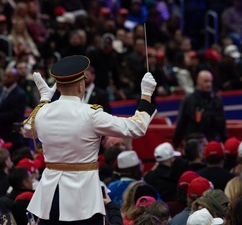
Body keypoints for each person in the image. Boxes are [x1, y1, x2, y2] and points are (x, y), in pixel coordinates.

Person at [22, 55, 157, 224]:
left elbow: (27, 129)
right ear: (81, 86)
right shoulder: (91, 114)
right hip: (82, 198)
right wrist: (146, 94)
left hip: (49, 196)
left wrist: (44, 100)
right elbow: (137, 127)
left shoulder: (43, 112)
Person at [172, 70, 227, 149]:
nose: (209, 84)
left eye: (210, 81)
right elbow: (181, 121)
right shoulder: (188, 100)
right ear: (198, 81)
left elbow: (222, 123)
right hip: (193, 143)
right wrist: (176, 142)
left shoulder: (217, 100)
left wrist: (224, 140)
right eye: (206, 81)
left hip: (212, 142)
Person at [0, 68, 27, 153]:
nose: (5, 78)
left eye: (8, 77)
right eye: (4, 76)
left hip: (11, 134)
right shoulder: (2, 89)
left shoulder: (20, 94)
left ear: (15, 78)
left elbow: (16, 114)